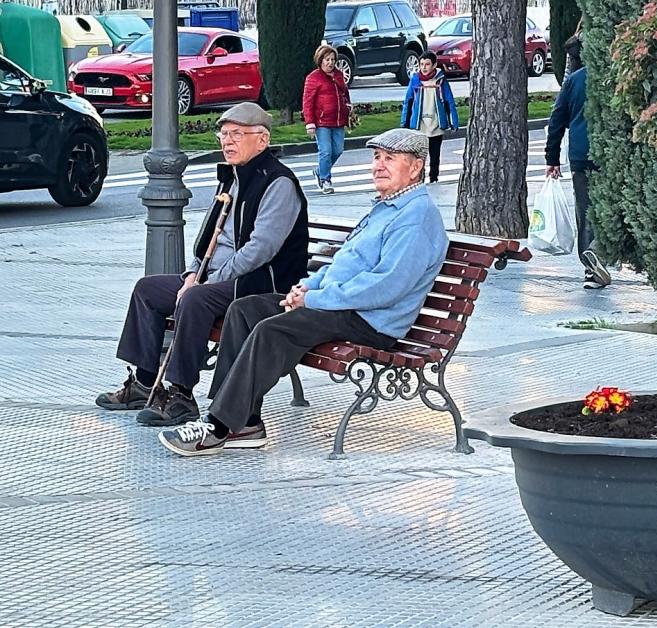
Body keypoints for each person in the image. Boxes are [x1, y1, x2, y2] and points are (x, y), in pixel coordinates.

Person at [157, 128, 449, 456]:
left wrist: (314, 299)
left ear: (415, 167)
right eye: (377, 157)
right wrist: (308, 286)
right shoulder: (387, 207)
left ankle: (218, 425)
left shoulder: (415, 218)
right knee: (245, 310)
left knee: (273, 329)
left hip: (370, 321)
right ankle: (245, 421)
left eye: (390, 159)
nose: (378, 165)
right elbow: (345, 264)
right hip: (342, 306)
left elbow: (386, 287)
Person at [96, 102, 309, 427]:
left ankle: (181, 394)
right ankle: (144, 383)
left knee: (196, 298)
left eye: (237, 134)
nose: (227, 141)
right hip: (216, 278)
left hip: (259, 282)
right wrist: (193, 273)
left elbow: (260, 250)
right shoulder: (232, 178)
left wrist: (208, 281)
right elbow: (210, 235)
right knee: (148, 290)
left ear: (262, 140)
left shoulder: (277, 183)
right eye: (223, 134)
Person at [545, 62, 612, 290]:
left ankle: (590, 271)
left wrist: (552, 158)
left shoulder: (574, 80)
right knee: (614, 207)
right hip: (610, 153)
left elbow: (557, 119)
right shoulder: (614, 74)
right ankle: (597, 250)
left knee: (585, 212)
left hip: (580, 154)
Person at [401, 51, 459, 183]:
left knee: (435, 154)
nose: (424, 67)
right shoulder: (415, 80)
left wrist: (453, 122)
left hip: (436, 124)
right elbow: (408, 101)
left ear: (434, 65)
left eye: (427, 64)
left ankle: (434, 178)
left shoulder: (440, 80)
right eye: (421, 64)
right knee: (419, 156)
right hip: (419, 124)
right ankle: (419, 179)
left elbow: (449, 101)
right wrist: (405, 123)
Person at [303, 44, 352, 194]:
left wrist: (348, 106)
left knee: (338, 150)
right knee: (325, 151)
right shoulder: (313, 78)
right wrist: (310, 123)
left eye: (332, 60)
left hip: (338, 120)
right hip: (321, 122)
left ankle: (320, 171)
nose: (330, 63)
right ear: (320, 60)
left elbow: (344, 93)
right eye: (327, 60)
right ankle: (325, 180)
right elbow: (307, 102)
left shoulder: (338, 75)